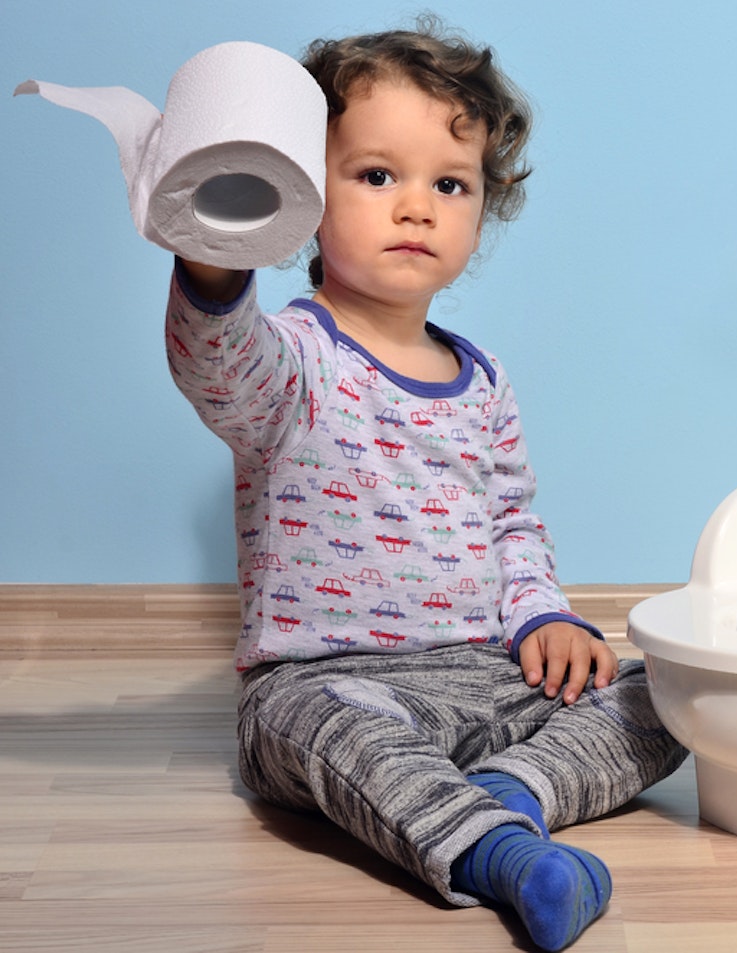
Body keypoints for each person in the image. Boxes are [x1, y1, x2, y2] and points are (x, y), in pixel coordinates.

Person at [166, 20, 686, 952]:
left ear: (482, 209)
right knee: (321, 733)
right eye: (376, 175)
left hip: (483, 676)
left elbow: (512, 521)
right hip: (329, 681)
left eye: (449, 184)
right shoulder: (293, 357)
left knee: (674, 695)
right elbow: (219, 368)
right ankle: (502, 853)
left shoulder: (482, 379)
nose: (417, 206)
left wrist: (544, 617)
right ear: (302, 195)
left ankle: (513, 789)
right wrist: (213, 251)